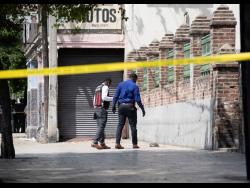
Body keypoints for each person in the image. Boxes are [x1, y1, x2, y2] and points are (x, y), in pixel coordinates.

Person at [112, 73, 146, 149]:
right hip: (130, 107)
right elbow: (138, 99)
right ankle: (134, 144)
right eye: (136, 80)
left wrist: (113, 105)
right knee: (133, 126)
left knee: (120, 125)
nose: (136, 82)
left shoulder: (120, 84)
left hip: (121, 106)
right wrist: (142, 109)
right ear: (134, 78)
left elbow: (116, 96)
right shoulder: (135, 86)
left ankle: (117, 143)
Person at [91, 78, 113, 150]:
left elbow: (94, 100)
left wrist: (95, 108)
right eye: (110, 85)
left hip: (96, 108)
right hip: (102, 109)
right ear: (108, 83)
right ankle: (95, 142)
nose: (109, 86)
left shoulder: (98, 87)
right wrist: (113, 98)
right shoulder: (105, 87)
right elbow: (104, 98)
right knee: (101, 127)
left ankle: (102, 143)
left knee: (100, 127)